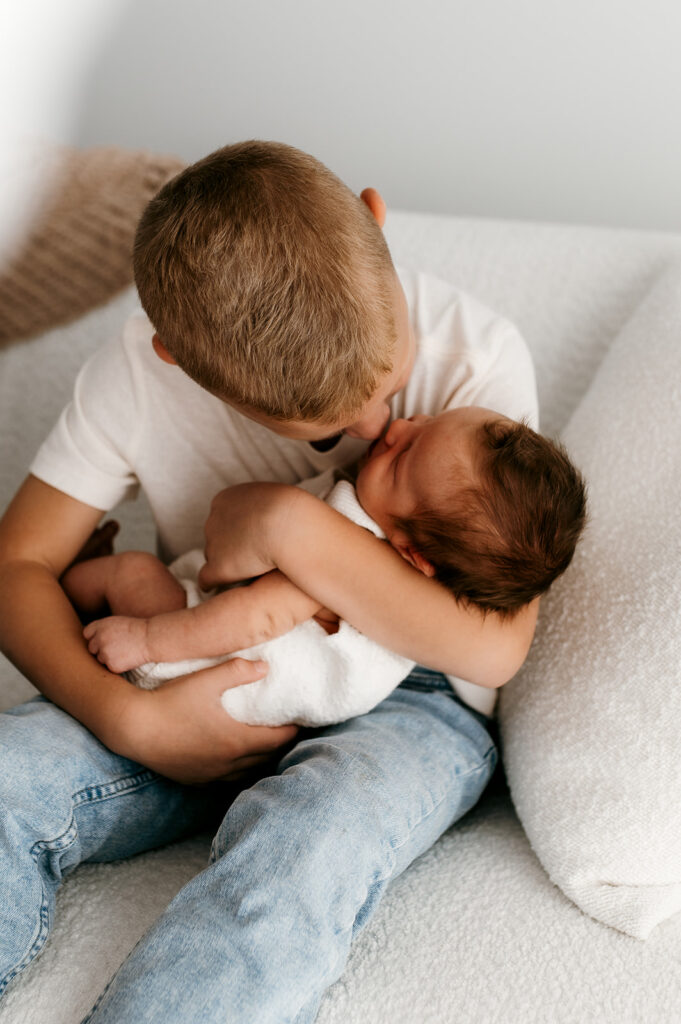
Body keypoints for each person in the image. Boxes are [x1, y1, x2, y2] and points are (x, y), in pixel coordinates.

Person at [0, 141, 541, 1022]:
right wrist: (129, 720)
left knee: (307, 844)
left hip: (410, 690)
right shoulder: (135, 375)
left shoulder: (473, 357)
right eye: (330, 434)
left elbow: (496, 641)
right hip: (196, 657)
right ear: (180, 357)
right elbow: (15, 565)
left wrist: (288, 523)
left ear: (375, 220)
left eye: (392, 388)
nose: (380, 429)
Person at [62, 408, 586, 728]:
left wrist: (149, 640)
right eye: (424, 423)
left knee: (131, 571)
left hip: (202, 668)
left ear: (414, 554)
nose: (400, 426)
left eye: (401, 460)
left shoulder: (354, 551)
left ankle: (66, 585)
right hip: (235, 677)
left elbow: (256, 618)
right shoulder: (407, 584)